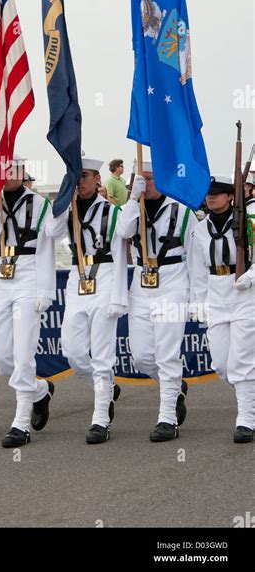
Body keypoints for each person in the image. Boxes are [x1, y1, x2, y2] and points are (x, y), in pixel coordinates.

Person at [46, 157, 128, 444]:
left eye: (85, 176)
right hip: (77, 278)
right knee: (74, 352)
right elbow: (52, 233)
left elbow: (120, 254)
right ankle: (105, 384)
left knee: (102, 352)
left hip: (104, 277)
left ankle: (101, 418)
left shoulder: (112, 212)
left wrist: (119, 296)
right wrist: (64, 198)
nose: (80, 181)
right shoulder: (68, 209)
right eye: (75, 177)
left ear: (97, 180)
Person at [116, 162, 198, 442]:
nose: (146, 184)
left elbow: (195, 258)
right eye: (142, 180)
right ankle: (174, 385)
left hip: (172, 284)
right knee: (141, 356)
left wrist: (197, 297)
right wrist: (132, 198)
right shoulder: (133, 209)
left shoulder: (182, 210)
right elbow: (122, 232)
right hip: (141, 285)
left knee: (166, 354)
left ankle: (167, 418)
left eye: (150, 179)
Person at [0, 155, 56, 448]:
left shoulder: (39, 205)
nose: (8, 176)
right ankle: (39, 390)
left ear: (23, 171)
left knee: (24, 352)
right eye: (2, 171)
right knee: (2, 356)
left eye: (13, 170)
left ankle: (21, 421)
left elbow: (47, 248)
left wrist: (45, 291)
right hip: (1, 278)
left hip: (28, 277)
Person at [188, 175, 254, 443]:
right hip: (216, 295)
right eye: (208, 193)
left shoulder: (247, 224)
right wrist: (197, 302)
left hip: (245, 296)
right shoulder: (200, 230)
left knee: (241, 360)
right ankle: (250, 398)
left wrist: (250, 277)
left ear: (230, 196)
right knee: (222, 364)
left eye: (218, 192)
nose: (211, 196)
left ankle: (246, 420)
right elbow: (197, 269)